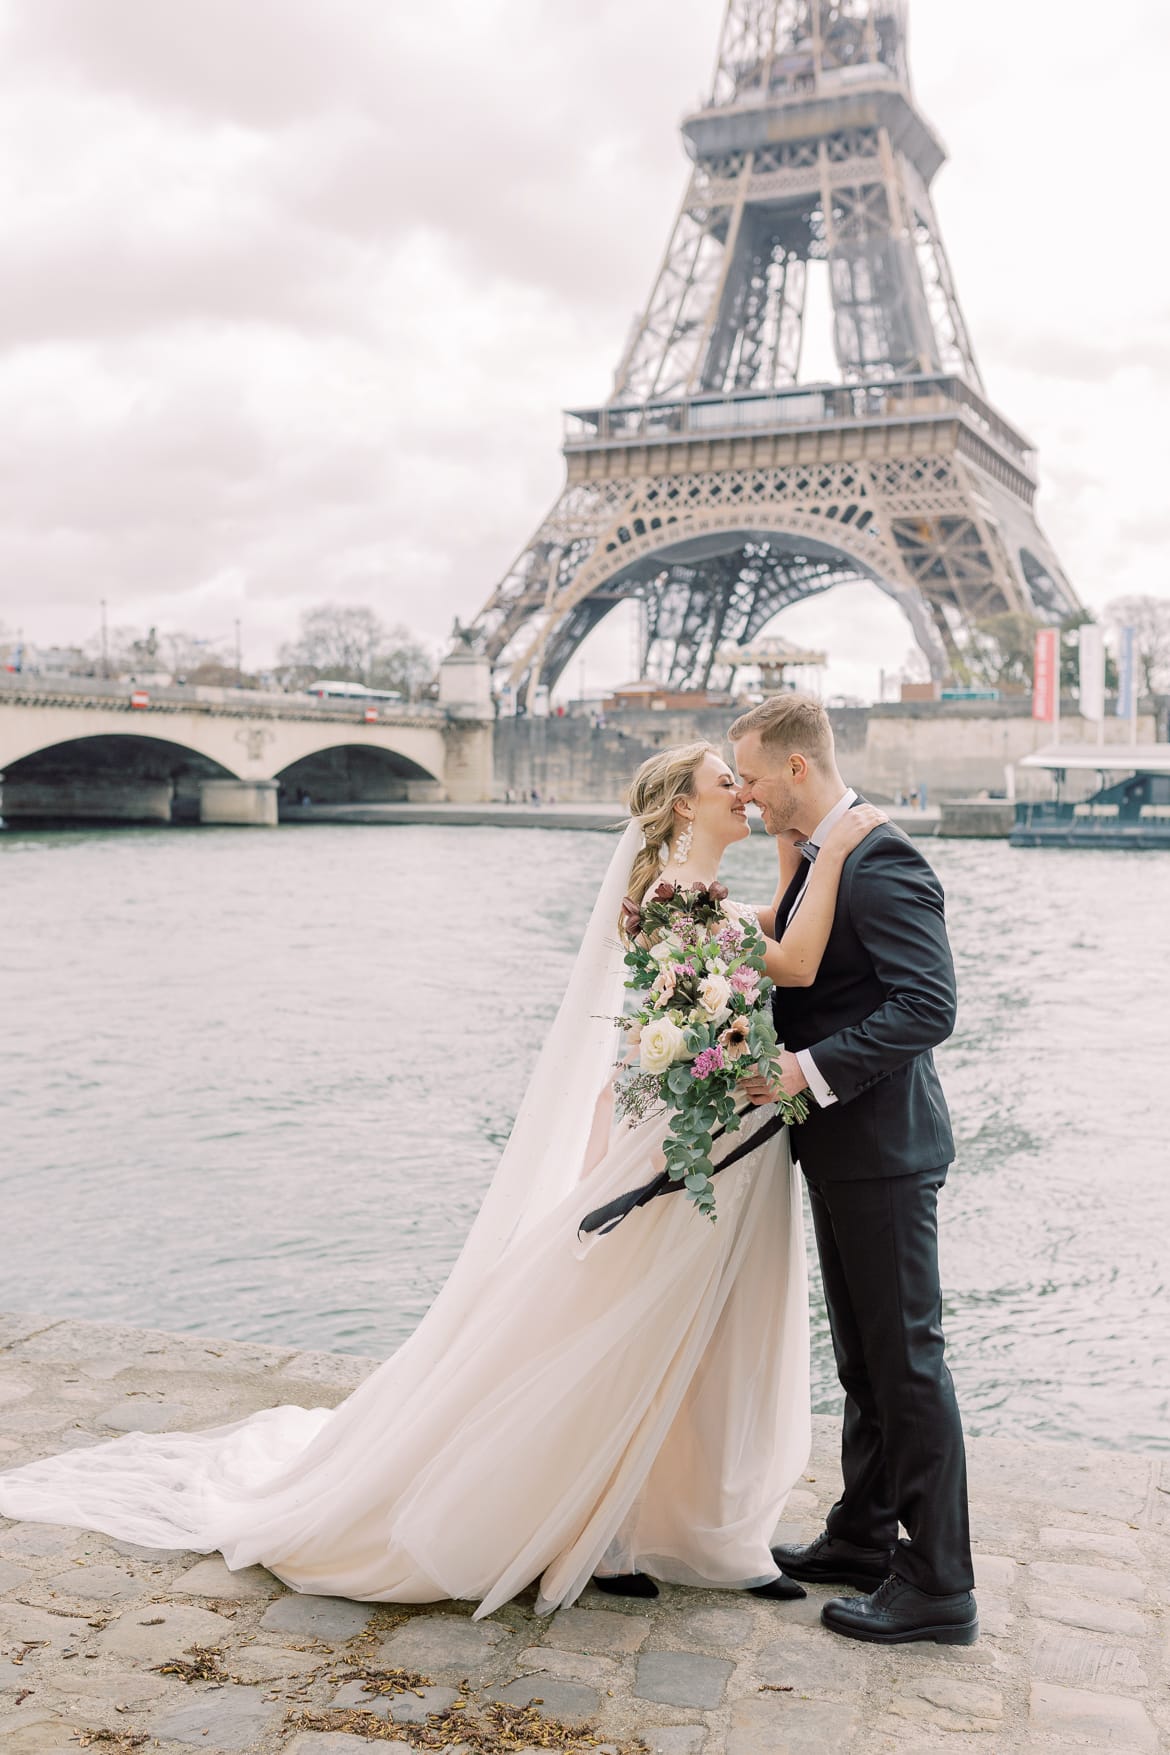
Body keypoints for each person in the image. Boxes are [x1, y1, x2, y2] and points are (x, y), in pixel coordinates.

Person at [0, 743, 880, 1619]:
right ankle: (611, 1526)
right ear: (684, 807)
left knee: (707, 1323)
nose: (743, 791)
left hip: (728, 1137)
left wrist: (789, 856)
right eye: (726, 781)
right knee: (637, 1320)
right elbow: (795, 963)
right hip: (689, 1143)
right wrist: (831, 848)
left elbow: (753, 942)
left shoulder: (696, 898)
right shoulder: (677, 899)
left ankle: (681, 1523)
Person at [729, 694, 977, 1647]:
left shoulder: (882, 859)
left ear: (797, 767)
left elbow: (929, 1005)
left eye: (751, 775)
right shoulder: (823, 856)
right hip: (844, 1146)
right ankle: (865, 1534)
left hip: (884, 1149)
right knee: (866, 1361)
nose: (745, 795)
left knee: (908, 1361)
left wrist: (804, 1070)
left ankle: (940, 1584)